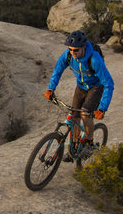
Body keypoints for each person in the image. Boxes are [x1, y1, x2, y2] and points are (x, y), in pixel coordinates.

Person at [44, 30, 114, 159]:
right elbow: (57, 71)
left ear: (83, 47)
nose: (72, 52)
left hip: (96, 87)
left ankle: (89, 143)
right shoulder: (68, 56)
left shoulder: (94, 59)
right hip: (81, 87)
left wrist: (102, 108)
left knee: (85, 113)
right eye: (70, 49)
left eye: (75, 50)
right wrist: (50, 89)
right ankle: (74, 147)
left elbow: (109, 83)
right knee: (74, 115)